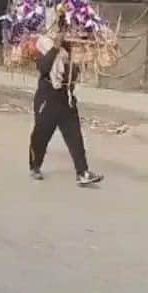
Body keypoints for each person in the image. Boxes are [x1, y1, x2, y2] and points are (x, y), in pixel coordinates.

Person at [28, 33, 104, 186]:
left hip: (65, 98)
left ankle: (82, 172)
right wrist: (56, 47)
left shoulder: (70, 50)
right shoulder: (44, 45)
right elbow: (43, 68)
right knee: (41, 135)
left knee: (75, 136)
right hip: (47, 98)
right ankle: (35, 166)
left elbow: (74, 73)